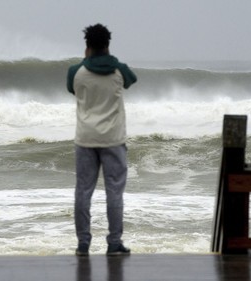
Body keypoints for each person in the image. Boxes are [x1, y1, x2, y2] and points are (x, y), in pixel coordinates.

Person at [67, 23, 137, 256]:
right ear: (107, 45)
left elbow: (71, 89)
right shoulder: (119, 70)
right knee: (114, 192)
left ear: (87, 46)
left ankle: (83, 244)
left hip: (85, 138)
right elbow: (132, 79)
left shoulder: (75, 71)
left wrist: (87, 59)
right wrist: (112, 59)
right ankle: (114, 243)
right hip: (113, 140)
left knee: (83, 191)